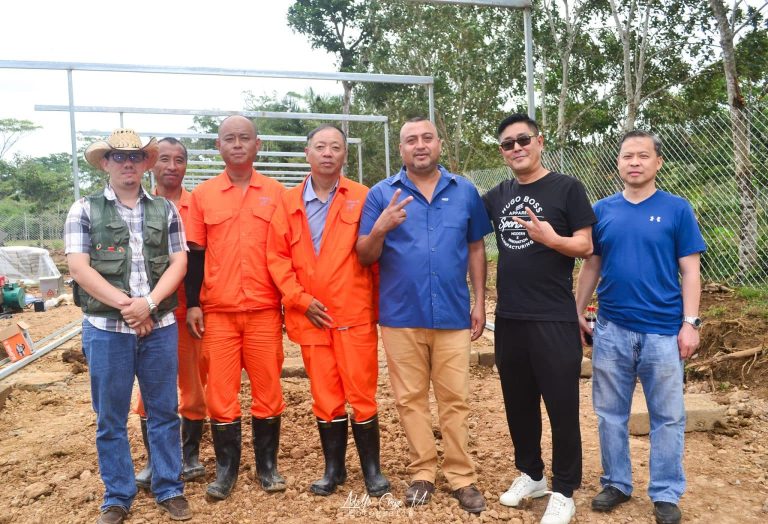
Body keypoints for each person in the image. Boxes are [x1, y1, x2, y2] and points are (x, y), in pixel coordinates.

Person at [356, 117, 491, 514]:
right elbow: (365, 254)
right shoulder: (382, 194)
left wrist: (479, 302)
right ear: (401, 150)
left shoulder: (464, 191)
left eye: (427, 138)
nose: (420, 145)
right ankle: (423, 473)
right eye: (411, 140)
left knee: (456, 399)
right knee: (410, 399)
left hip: (452, 314)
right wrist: (380, 228)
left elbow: (477, 249)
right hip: (401, 315)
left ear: (439, 144)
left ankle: (462, 478)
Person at [575, 130, 705, 524]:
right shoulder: (602, 210)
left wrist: (690, 323)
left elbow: (691, 271)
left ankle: (665, 492)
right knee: (609, 413)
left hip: (663, 332)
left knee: (667, 416)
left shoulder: (677, 209)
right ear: (618, 163)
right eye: (627, 155)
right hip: (611, 329)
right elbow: (592, 266)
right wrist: (575, 310)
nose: (634, 162)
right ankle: (616, 482)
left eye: (643, 156)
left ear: (657, 163)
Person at [65, 129, 191, 523]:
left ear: (144, 163)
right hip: (106, 329)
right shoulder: (83, 209)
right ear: (105, 163)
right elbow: (78, 267)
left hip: (161, 324)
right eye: (119, 157)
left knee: (165, 410)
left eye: (135, 157)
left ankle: (169, 487)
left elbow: (179, 262)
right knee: (110, 417)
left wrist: (150, 305)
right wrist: (128, 306)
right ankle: (118, 495)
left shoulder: (165, 210)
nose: (128, 164)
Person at [482, 113, 595, 524]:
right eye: (508, 143)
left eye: (523, 139)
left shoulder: (567, 188)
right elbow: (464, 228)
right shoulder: (496, 195)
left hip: (553, 317)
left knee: (562, 404)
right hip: (509, 317)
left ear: (539, 141)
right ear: (502, 152)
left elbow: (585, 245)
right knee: (518, 404)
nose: (517, 148)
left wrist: (552, 239)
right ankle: (532, 474)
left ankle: (565, 490)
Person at [267, 124, 389, 497]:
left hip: (353, 314)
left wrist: (379, 306)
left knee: (362, 392)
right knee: (325, 395)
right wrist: (299, 300)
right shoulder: (287, 204)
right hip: (311, 316)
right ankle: (333, 469)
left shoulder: (363, 197)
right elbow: (277, 258)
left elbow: (377, 256)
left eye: (335, 147)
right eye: (320, 146)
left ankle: (372, 470)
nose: (327, 153)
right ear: (307, 153)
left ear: (344, 155)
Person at [184, 115, 286, 499]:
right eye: (230, 139)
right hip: (219, 312)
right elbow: (196, 254)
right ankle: (226, 470)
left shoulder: (277, 193)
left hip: (263, 310)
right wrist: (193, 303)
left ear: (257, 145)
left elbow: (286, 252)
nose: (238, 144)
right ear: (218, 147)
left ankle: (267, 466)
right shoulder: (203, 196)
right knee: (220, 394)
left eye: (245, 138)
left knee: (268, 389)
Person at [133, 138, 208, 490]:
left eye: (179, 160)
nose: (172, 167)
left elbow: (198, 257)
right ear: (152, 164)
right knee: (151, 387)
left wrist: (194, 302)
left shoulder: (199, 205)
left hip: (187, 308)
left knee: (192, 384)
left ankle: (188, 455)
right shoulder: (138, 204)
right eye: (164, 159)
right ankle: (156, 459)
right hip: (148, 311)